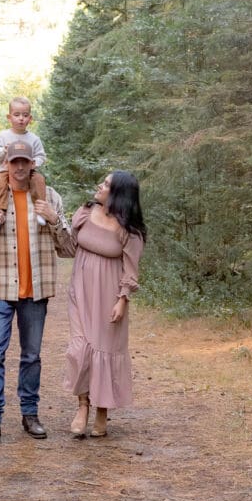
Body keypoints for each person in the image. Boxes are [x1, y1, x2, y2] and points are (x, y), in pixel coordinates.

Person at [0, 140, 72, 447]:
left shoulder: (49, 197)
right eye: (14, 162)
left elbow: (69, 247)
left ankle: (30, 414)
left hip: (35, 291)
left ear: (32, 164)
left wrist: (54, 220)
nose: (20, 168)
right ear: (6, 164)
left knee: (32, 355)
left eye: (25, 162)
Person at [64, 171, 146, 439]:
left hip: (109, 295)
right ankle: (83, 406)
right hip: (80, 290)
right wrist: (54, 223)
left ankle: (102, 410)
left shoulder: (129, 230)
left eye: (107, 184)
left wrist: (123, 300)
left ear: (118, 194)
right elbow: (67, 247)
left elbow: (131, 271)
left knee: (106, 351)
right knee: (80, 349)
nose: (100, 186)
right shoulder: (86, 213)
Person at [0, 96, 47, 232]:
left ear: (30, 119)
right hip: (5, 170)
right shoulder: (3, 136)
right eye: (17, 115)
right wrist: (3, 150)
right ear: (9, 117)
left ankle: (40, 210)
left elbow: (41, 156)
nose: (21, 118)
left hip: (28, 171)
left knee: (39, 179)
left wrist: (34, 163)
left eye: (25, 115)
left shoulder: (34, 139)